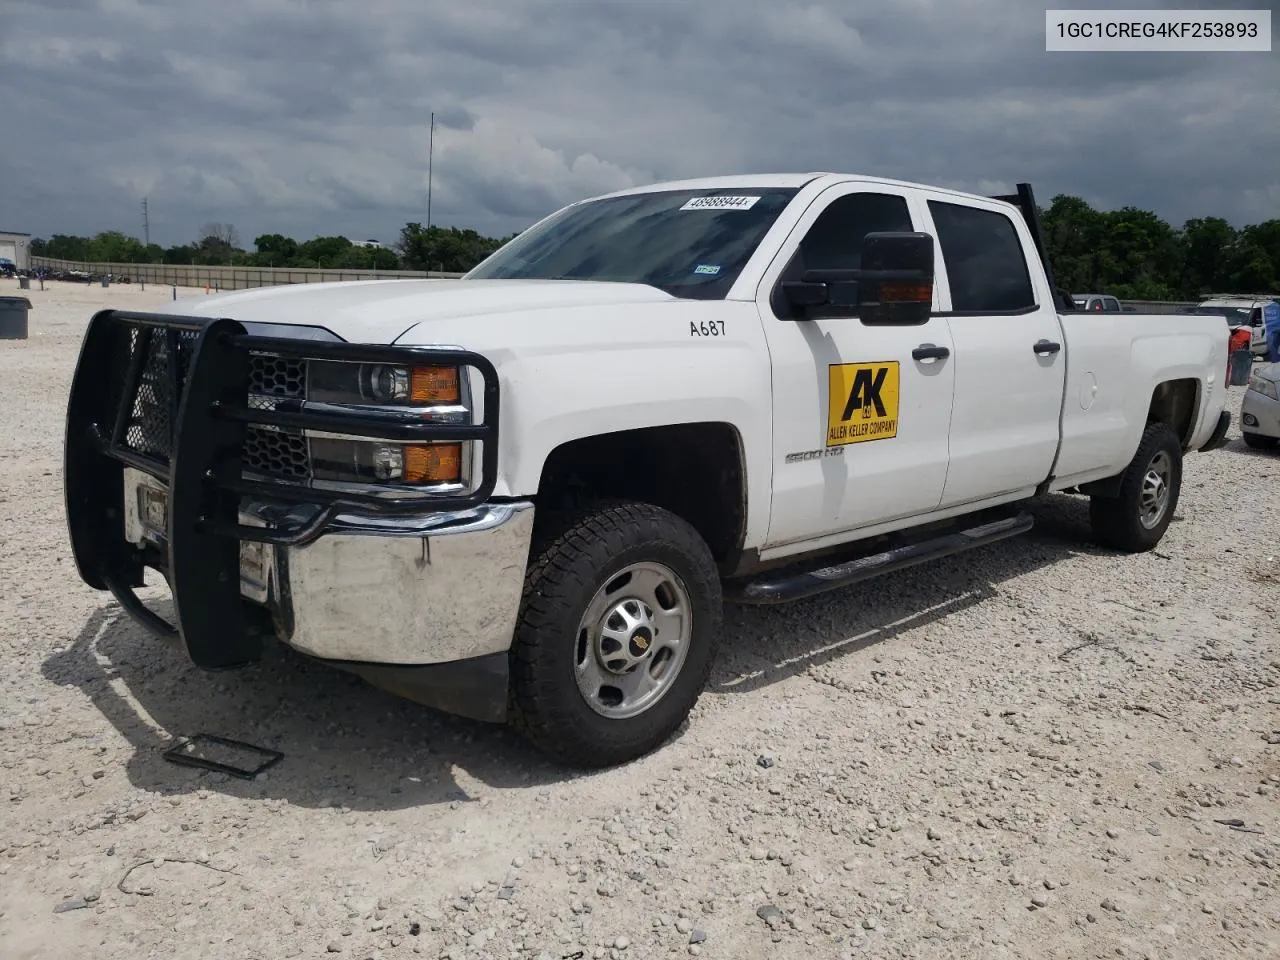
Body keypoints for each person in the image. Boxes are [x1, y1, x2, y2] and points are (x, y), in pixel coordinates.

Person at [1264, 298, 1280, 363]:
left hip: (1272, 330)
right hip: (1276, 329)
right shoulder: (1277, 307)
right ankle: (1275, 359)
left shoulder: (1267, 308)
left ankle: (1274, 359)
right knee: (1275, 345)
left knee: (1274, 345)